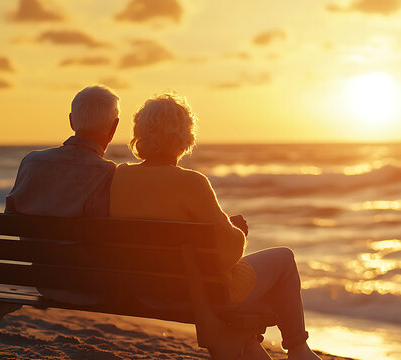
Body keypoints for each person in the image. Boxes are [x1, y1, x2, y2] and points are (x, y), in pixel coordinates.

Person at [109, 92, 321, 360]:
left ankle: (250, 346)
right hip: (194, 293)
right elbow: (226, 254)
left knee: (250, 302)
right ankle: (298, 348)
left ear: (139, 132)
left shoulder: (121, 176)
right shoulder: (192, 183)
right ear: (183, 137)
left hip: (143, 290)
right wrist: (236, 231)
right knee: (284, 259)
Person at [5, 85, 120, 304]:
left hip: (42, 280)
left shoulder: (31, 162)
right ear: (114, 127)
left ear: (71, 121)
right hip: (87, 287)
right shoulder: (107, 172)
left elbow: (10, 218)